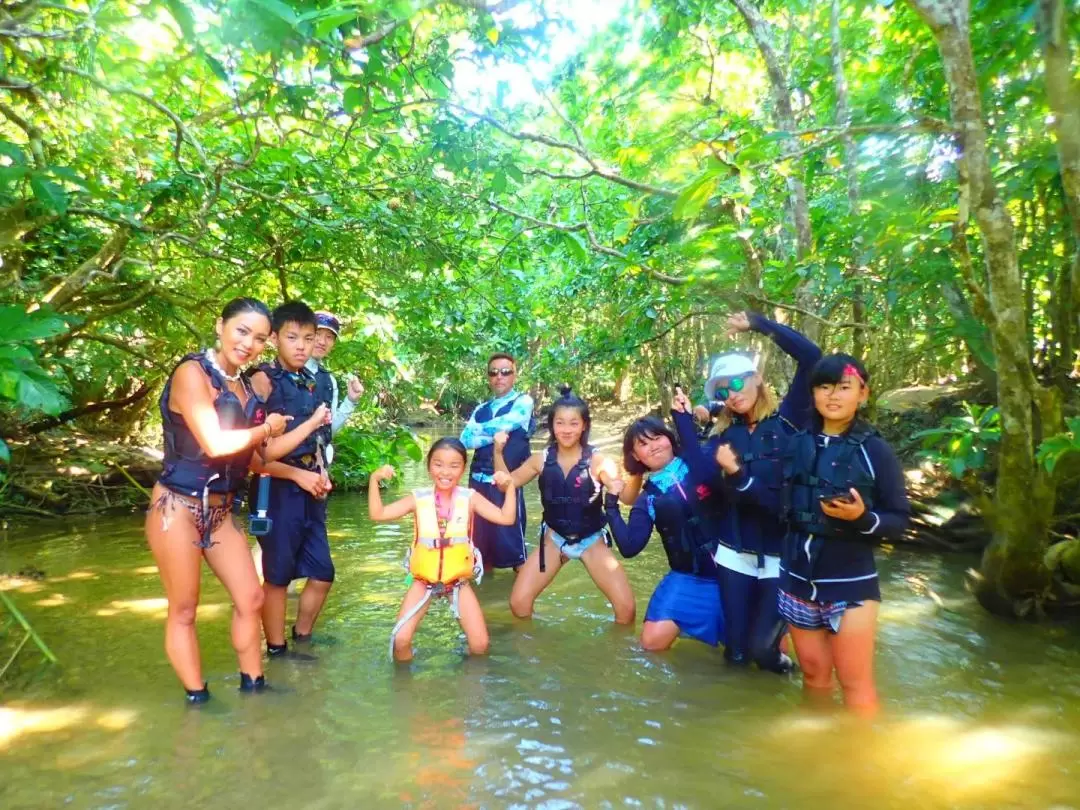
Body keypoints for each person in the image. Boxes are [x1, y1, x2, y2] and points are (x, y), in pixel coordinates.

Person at [145, 297, 324, 703]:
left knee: (251, 597)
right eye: (242, 331)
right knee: (185, 609)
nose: (249, 343)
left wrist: (304, 462)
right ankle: (198, 698)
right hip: (177, 506)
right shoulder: (192, 373)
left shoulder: (243, 387)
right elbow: (215, 442)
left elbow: (258, 460)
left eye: (259, 338)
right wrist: (266, 431)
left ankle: (254, 687)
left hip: (221, 510)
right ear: (220, 326)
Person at [670, 312, 821, 673]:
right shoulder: (726, 436)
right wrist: (682, 420)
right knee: (735, 652)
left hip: (782, 555)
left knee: (762, 651)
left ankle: (786, 675)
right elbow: (704, 474)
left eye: (736, 383)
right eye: (722, 390)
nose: (732, 394)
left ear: (757, 379)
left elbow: (812, 357)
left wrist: (758, 323)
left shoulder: (790, 418)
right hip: (734, 553)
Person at [778, 353, 910, 714]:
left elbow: (899, 520)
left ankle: (864, 764)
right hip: (796, 582)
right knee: (814, 677)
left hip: (851, 585)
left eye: (844, 387)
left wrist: (862, 517)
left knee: (855, 684)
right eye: (824, 387)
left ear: (863, 394)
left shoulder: (875, 451)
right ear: (813, 393)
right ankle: (821, 753)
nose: (832, 396)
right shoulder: (796, 441)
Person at [494, 386, 635, 625]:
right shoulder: (541, 459)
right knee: (518, 604)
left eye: (573, 423)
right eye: (560, 423)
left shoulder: (598, 460)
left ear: (583, 426)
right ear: (552, 426)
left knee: (626, 611)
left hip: (591, 539)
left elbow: (614, 482)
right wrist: (498, 451)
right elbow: (506, 484)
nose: (566, 430)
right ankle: (533, 649)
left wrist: (615, 482)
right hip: (554, 539)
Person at [368, 438, 518, 662]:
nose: (445, 472)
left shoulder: (471, 498)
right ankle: (406, 688)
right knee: (401, 640)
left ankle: (467, 683)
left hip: (457, 581)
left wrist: (511, 488)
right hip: (422, 580)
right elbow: (378, 514)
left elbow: (506, 518)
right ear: (429, 466)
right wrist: (374, 479)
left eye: (454, 465)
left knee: (480, 645)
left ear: (463, 468)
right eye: (438, 464)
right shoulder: (418, 499)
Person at [248, 301, 335, 658]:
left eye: (308, 338)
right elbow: (254, 457)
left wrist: (321, 473)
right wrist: (298, 474)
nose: (301, 345)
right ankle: (277, 650)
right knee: (278, 576)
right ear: (274, 338)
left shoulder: (314, 382)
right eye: (292, 337)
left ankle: (301, 637)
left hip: (311, 487)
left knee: (323, 572)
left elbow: (320, 439)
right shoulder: (262, 380)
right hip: (275, 490)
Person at [604, 416, 724, 651]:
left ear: (670, 438)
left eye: (657, 437)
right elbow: (629, 547)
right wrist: (611, 506)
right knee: (651, 642)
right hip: (689, 577)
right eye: (644, 444)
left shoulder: (701, 463)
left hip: (735, 570)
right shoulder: (647, 498)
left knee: (769, 648)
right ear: (636, 456)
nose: (654, 446)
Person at [459, 353, 534, 572]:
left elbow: (509, 422)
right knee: (480, 550)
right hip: (477, 483)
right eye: (493, 372)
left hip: (506, 481)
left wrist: (479, 432)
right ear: (488, 377)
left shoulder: (523, 401)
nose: (499, 377)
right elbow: (465, 439)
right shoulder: (480, 409)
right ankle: (486, 600)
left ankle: (521, 600)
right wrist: (493, 433)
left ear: (514, 374)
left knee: (515, 549)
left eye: (505, 372)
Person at [309, 310, 364, 440]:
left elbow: (329, 431)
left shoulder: (328, 381)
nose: (322, 342)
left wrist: (350, 401)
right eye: (317, 333)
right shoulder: (286, 371)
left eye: (329, 337)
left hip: (320, 458)